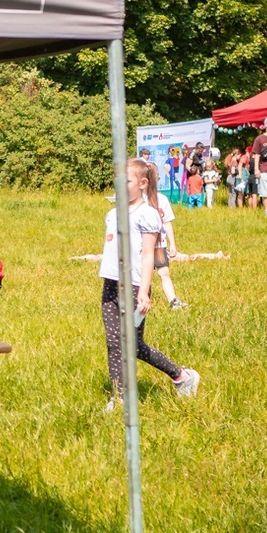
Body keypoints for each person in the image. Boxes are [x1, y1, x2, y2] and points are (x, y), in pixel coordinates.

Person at [100, 158, 199, 406]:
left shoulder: (147, 214)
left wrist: (143, 291)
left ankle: (182, 376)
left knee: (133, 346)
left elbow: (147, 256)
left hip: (134, 287)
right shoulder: (112, 214)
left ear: (143, 183)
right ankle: (119, 398)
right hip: (110, 286)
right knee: (114, 343)